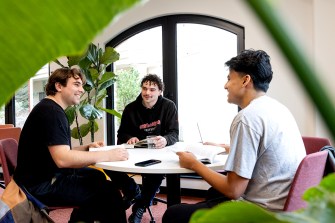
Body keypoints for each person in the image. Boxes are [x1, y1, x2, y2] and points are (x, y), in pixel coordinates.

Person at [162, 49, 306, 223]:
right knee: (213, 193)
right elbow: (267, 151)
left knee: (173, 214)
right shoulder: (278, 109)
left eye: (229, 79)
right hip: (286, 205)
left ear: (246, 80)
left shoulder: (247, 118)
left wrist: (194, 164)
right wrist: (228, 147)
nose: (225, 85)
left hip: (261, 213)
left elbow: (234, 190)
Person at [13, 67, 129, 223]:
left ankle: (79, 219)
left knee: (97, 176)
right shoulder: (51, 113)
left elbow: (60, 152)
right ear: (59, 86)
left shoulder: (50, 108)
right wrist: (108, 155)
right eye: (76, 84)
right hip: (41, 186)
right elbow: (63, 160)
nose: (81, 90)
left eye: (81, 85)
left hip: (42, 177)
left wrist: (87, 148)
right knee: (109, 193)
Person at [117, 74, 179, 223]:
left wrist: (165, 139)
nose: (147, 93)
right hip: (135, 152)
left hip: (159, 153)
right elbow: (121, 133)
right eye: (144, 88)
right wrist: (129, 138)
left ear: (159, 91)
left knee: (156, 173)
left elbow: (174, 133)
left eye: (152, 89)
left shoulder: (168, 106)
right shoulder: (130, 108)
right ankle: (132, 190)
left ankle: (140, 206)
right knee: (109, 166)